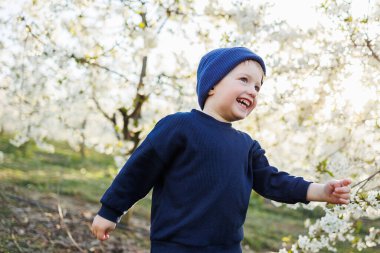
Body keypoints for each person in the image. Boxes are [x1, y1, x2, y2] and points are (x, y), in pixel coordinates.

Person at [91, 47, 352, 253]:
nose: (252, 90)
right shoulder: (180, 126)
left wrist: (319, 191)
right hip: (175, 245)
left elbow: (274, 182)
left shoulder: (247, 145)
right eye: (244, 80)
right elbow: (140, 169)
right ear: (213, 85)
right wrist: (111, 210)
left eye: (258, 87)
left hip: (227, 247)